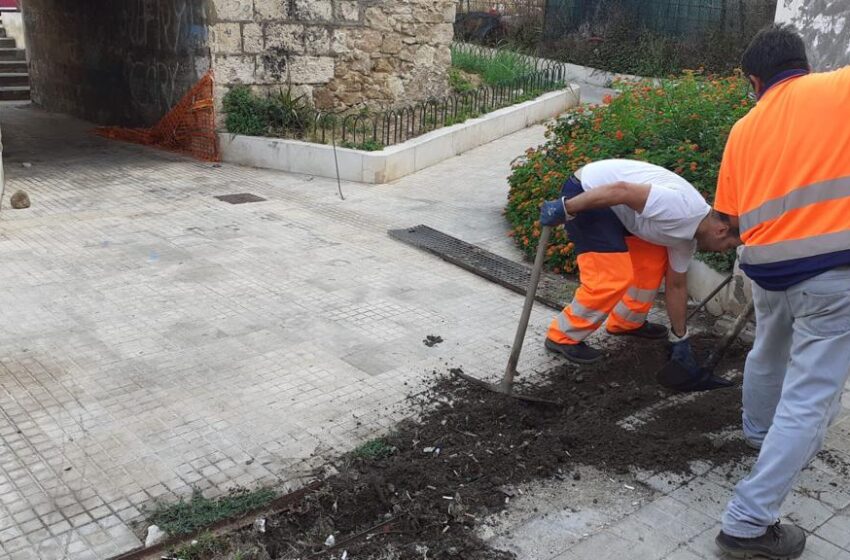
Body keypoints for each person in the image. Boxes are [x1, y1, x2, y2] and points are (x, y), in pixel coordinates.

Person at [711, 24, 850, 560]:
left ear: (754, 80)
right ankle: (748, 522)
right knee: (812, 397)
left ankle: (758, 435)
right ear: (804, 63)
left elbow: (733, 218)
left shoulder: (742, 129)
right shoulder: (837, 88)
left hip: (765, 269)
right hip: (833, 273)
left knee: (767, 353)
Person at [538, 159, 740, 390]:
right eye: (729, 245)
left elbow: (676, 286)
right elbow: (620, 190)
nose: (725, 251)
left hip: (623, 213)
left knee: (650, 267)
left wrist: (680, 338)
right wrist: (566, 208)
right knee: (612, 277)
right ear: (721, 230)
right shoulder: (682, 208)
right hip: (590, 193)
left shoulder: (686, 240)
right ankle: (562, 336)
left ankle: (626, 323)